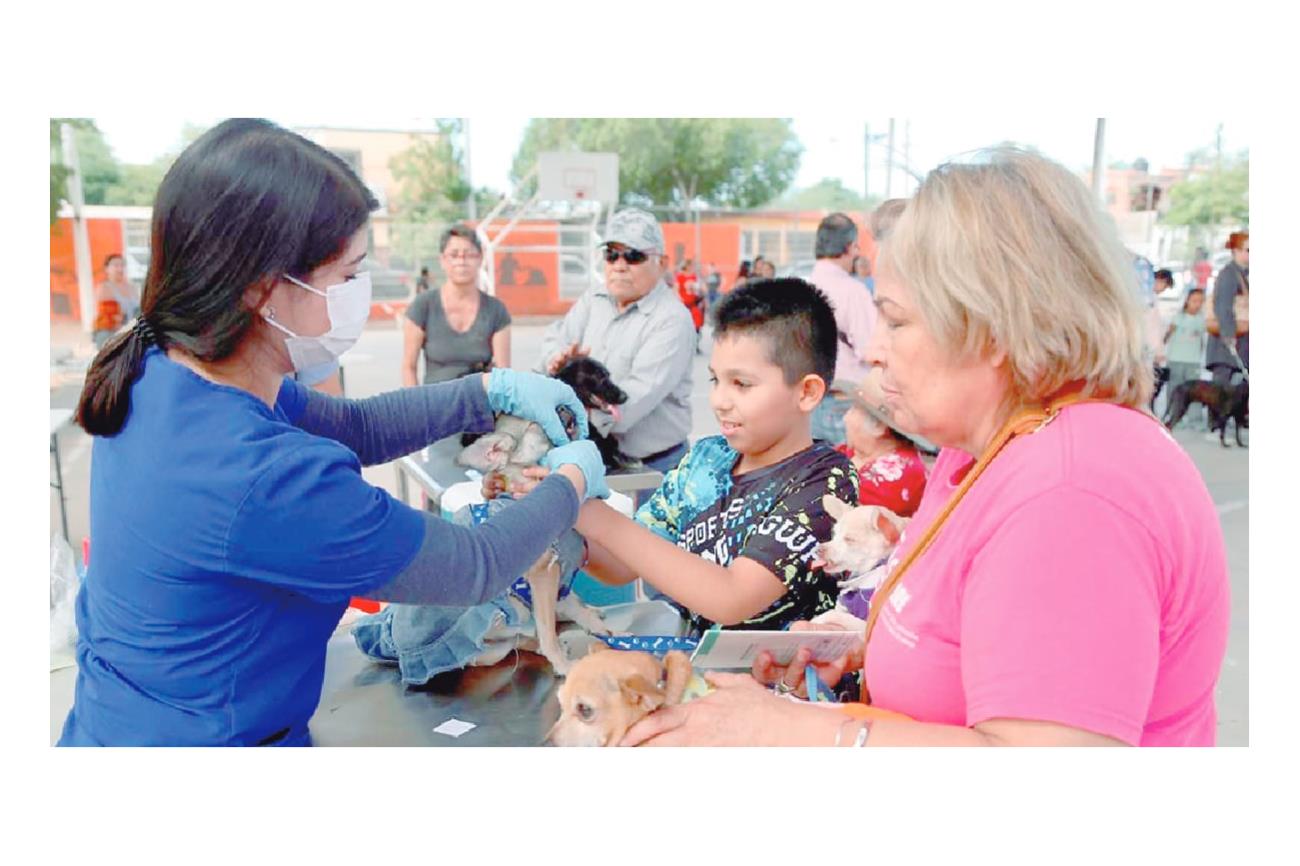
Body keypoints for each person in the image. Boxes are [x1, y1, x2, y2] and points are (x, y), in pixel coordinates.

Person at [621, 147, 1229, 748]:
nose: (876, 349)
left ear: (991, 323)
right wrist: (863, 648)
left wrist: (791, 731)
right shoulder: (983, 449)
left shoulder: (1070, 495)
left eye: (897, 321)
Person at [59, 119, 608, 747]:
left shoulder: (164, 366)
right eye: (346, 276)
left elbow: (355, 426)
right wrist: (573, 478)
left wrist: (487, 392)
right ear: (264, 287)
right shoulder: (264, 478)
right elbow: (472, 566)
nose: (359, 293)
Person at [521, 278, 857, 636]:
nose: (719, 400)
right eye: (715, 380)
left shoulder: (825, 482)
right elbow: (624, 563)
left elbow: (731, 598)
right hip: (697, 671)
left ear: (806, 392)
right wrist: (559, 517)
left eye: (741, 384)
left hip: (779, 686)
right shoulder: (706, 459)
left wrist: (584, 508)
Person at [538, 208, 696, 475]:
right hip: (595, 457)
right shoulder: (594, 299)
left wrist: (566, 408)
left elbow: (626, 407)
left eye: (634, 256)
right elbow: (554, 341)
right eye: (611, 254)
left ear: (662, 262)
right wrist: (556, 362)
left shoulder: (672, 320)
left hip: (653, 469)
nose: (619, 265)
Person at [403, 225, 510, 386]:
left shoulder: (496, 310)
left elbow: (503, 374)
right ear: (442, 260)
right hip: (433, 404)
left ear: (480, 258)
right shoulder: (423, 306)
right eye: (454, 255)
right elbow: (408, 367)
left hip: (480, 404)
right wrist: (414, 408)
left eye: (469, 255)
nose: (461, 261)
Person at [807, 213, 877, 446]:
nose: (858, 252)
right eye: (856, 245)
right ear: (848, 247)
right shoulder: (852, 292)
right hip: (844, 403)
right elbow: (870, 350)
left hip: (808, 404)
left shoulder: (802, 288)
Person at [833, 369, 927, 517]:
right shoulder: (857, 452)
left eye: (854, 410)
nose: (846, 418)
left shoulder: (901, 471)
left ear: (878, 426)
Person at [1206, 232, 1249, 387]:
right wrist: (1229, 335)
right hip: (1228, 346)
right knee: (1221, 395)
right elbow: (1223, 307)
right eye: (1248, 250)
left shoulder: (1243, 274)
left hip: (1240, 342)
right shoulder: (1229, 274)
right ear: (1236, 251)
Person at [1165, 288, 1208, 428]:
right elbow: (1167, 335)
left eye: (1201, 301)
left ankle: (1194, 419)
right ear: (1187, 301)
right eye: (1194, 301)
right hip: (1176, 358)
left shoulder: (1202, 319)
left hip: (1193, 361)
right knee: (1175, 388)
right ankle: (1173, 414)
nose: (1197, 304)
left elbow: (1202, 340)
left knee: (1195, 391)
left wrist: (1200, 357)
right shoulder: (1178, 317)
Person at [92, 254, 140, 349]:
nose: (120, 268)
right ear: (107, 269)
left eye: (122, 265)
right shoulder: (104, 288)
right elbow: (109, 317)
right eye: (115, 265)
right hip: (110, 333)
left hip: (132, 333)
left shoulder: (132, 287)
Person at [1147, 268, 1173, 413]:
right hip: (1147, 351)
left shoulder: (1150, 299)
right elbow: (1152, 330)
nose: (1163, 290)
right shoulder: (1148, 300)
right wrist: (1158, 350)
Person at [675, 257, 705, 333]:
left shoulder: (694, 277)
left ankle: (696, 333)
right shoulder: (680, 277)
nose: (693, 268)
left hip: (693, 302)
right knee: (683, 321)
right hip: (684, 303)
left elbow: (702, 288)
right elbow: (676, 289)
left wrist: (699, 290)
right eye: (691, 266)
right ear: (687, 266)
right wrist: (679, 298)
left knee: (697, 317)